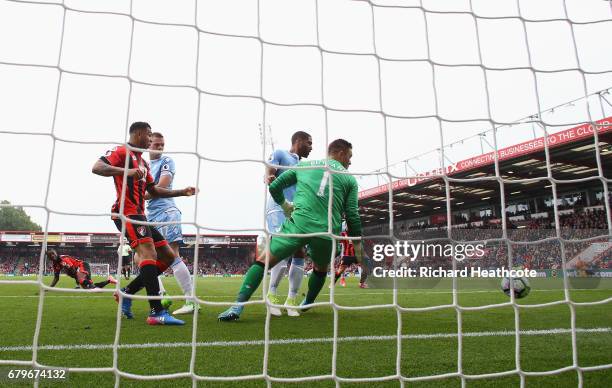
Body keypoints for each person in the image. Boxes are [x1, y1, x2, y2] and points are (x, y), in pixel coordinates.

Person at [218, 139, 364, 321]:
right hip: (326, 232)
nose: (350, 162)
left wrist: (285, 205)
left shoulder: (304, 166)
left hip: (298, 224)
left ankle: (237, 307)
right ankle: (306, 302)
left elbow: (275, 186)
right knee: (320, 269)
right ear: (341, 153)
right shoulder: (350, 179)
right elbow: (352, 216)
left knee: (264, 261)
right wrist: (358, 247)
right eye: (349, 157)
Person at [92, 121, 197, 326]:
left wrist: (181, 192)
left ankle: (127, 293)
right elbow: (97, 167)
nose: (150, 140)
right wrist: (125, 172)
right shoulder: (122, 151)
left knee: (167, 256)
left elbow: (155, 190)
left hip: (141, 215)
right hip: (126, 213)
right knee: (148, 254)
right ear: (139, 134)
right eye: (149, 136)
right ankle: (156, 311)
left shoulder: (143, 163)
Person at [146, 132, 197, 315]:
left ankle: (191, 301)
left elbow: (162, 186)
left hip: (167, 212)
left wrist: (137, 196)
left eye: (162, 145)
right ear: (148, 144)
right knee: (146, 257)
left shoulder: (166, 161)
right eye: (156, 145)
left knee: (172, 254)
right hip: (151, 216)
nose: (160, 148)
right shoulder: (144, 166)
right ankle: (161, 295)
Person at [264, 131, 312, 317]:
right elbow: (269, 173)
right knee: (282, 249)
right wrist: (269, 178)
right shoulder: (280, 154)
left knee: (300, 252)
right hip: (278, 208)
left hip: (296, 212)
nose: (311, 146)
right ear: (298, 141)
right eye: (309, 143)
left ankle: (291, 300)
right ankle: (271, 296)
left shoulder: (304, 166)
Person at [47, 250, 117, 289]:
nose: (52, 256)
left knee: (81, 280)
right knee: (90, 288)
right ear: (49, 258)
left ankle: (85, 283)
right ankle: (109, 280)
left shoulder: (63, 259)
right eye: (50, 255)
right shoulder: (55, 265)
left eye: (53, 254)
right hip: (79, 270)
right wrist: (49, 288)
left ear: (56, 253)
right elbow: (56, 278)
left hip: (82, 265)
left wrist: (77, 280)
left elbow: (73, 269)